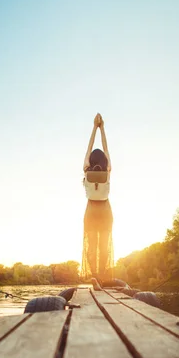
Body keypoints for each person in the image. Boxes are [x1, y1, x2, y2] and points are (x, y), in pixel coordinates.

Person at [81, 113, 114, 283]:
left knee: (91, 245)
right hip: (105, 209)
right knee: (103, 245)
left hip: (91, 209)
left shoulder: (87, 169)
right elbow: (106, 149)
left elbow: (88, 148)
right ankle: (101, 276)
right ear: (103, 160)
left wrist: (94, 127)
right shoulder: (107, 169)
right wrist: (103, 129)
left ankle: (94, 275)